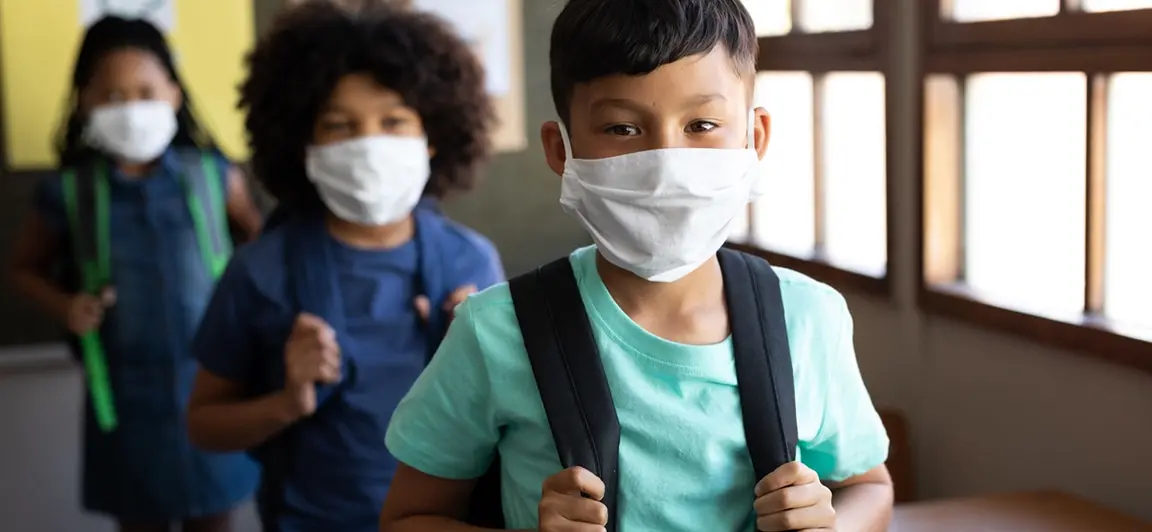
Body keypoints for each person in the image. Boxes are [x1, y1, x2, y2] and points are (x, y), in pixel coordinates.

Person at [378, 0, 895, 531]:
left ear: (754, 138)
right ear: (562, 148)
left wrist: (832, 524)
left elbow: (869, 486)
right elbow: (409, 517)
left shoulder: (807, 317)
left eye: (702, 123)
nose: (665, 164)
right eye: (623, 129)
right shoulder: (494, 331)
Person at [184, 2, 503, 531]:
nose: (369, 144)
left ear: (433, 136)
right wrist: (286, 402)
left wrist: (485, 366)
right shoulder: (260, 270)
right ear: (303, 144)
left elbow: (516, 425)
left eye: (393, 121)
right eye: (340, 125)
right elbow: (203, 425)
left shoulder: (470, 262)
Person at [8, 15, 263, 532]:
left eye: (145, 91)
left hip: (213, 387)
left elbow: (260, 248)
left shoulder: (214, 176)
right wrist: (66, 306)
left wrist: (245, 307)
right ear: (83, 103)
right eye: (112, 96)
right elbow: (23, 268)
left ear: (174, 93)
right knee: (139, 519)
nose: (131, 109)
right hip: (126, 402)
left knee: (215, 517)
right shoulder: (69, 191)